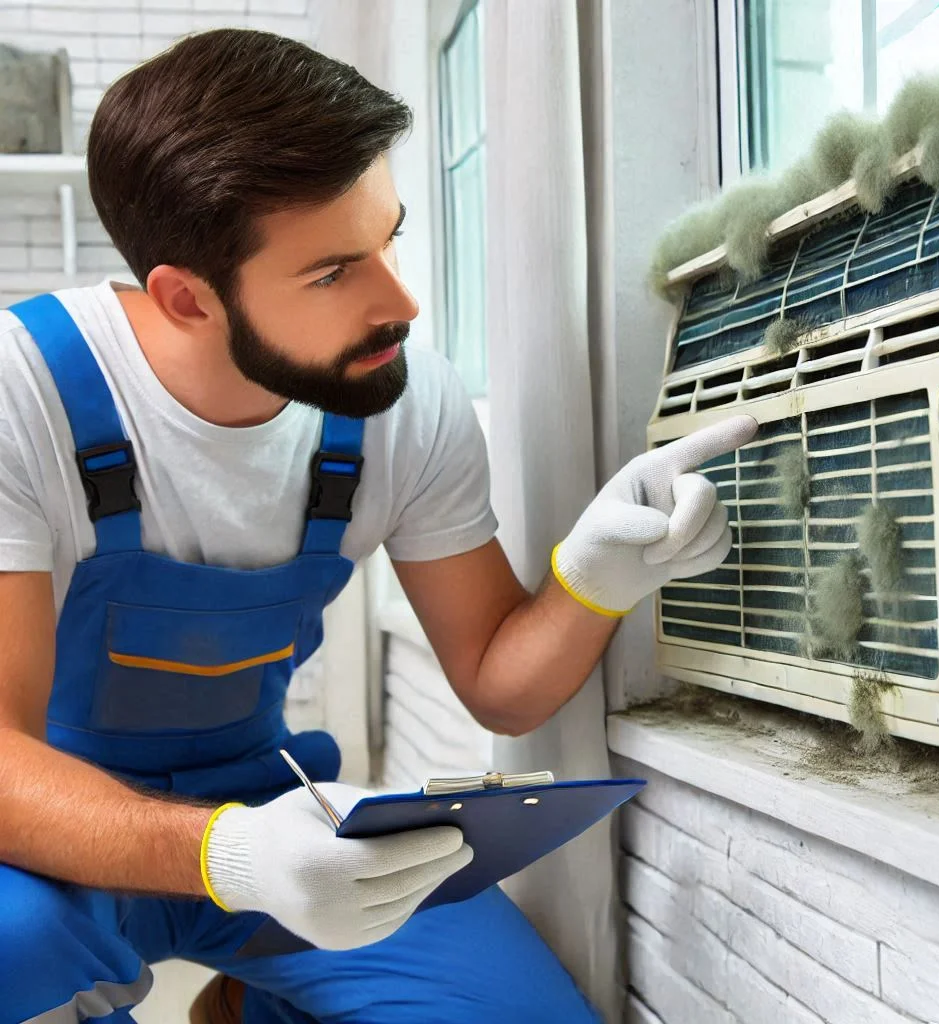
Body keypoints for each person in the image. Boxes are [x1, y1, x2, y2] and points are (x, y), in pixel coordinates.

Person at [0, 28, 756, 1024]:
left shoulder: (400, 403)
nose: (399, 302)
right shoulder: (27, 390)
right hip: (55, 835)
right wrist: (225, 854)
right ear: (186, 297)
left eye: (389, 237)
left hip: (273, 805)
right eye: (331, 274)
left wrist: (593, 581)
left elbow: (499, 681)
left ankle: (244, 1007)